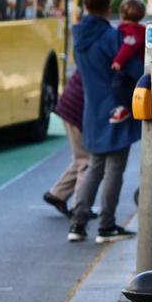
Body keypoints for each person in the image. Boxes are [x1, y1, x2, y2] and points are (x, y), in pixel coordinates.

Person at [67, 0, 140, 243]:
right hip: (117, 110)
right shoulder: (110, 37)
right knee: (114, 169)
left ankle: (77, 223)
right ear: (107, 7)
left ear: (86, 6)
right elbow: (134, 69)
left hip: (93, 111)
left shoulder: (79, 38)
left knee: (94, 168)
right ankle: (107, 225)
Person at [43, 71, 86, 218]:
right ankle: (79, 208)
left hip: (70, 107)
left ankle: (58, 194)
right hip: (77, 111)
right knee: (86, 161)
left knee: (81, 157)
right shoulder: (110, 53)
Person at [108, 0, 146, 124]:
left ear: (122, 14)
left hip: (133, 67)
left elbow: (129, 44)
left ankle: (123, 108)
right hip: (140, 66)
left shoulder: (130, 30)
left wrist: (118, 61)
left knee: (118, 85)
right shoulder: (142, 29)